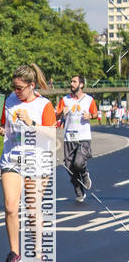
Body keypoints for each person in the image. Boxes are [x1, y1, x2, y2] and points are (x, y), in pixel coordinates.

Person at [0, 63, 56, 262]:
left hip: (36, 161)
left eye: (20, 88)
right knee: (10, 206)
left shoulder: (43, 105)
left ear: (31, 85)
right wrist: (2, 130)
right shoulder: (9, 101)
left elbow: (52, 134)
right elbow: (8, 128)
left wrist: (31, 123)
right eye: (14, 87)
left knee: (31, 210)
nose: (16, 91)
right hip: (12, 159)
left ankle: (38, 254)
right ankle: (14, 253)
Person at [55, 74, 97, 202]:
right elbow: (56, 115)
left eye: (74, 82)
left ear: (81, 84)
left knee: (78, 163)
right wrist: (62, 112)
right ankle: (79, 191)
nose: (71, 84)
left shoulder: (89, 100)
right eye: (71, 81)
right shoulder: (65, 100)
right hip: (69, 138)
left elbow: (95, 114)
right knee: (69, 166)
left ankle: (84, 174)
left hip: (83, 137)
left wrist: (89, 115)